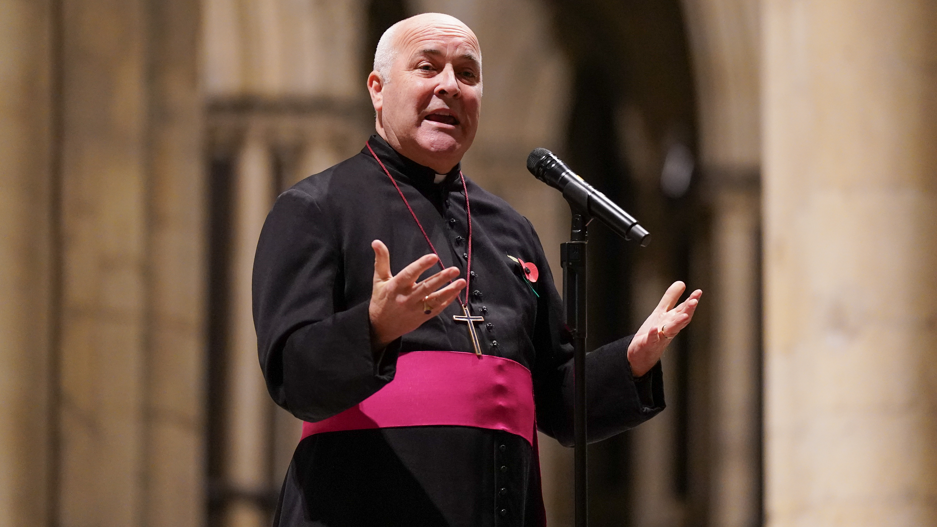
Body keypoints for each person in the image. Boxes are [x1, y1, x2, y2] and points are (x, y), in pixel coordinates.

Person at [252, 12, 701, 527]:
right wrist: (373, 330)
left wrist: (631, 363)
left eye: (467, 74)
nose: (449, 86)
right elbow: (293, 378)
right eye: (428, 67)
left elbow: (555, 400)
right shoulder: (315, 208)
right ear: (378, 89)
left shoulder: (510, 229)